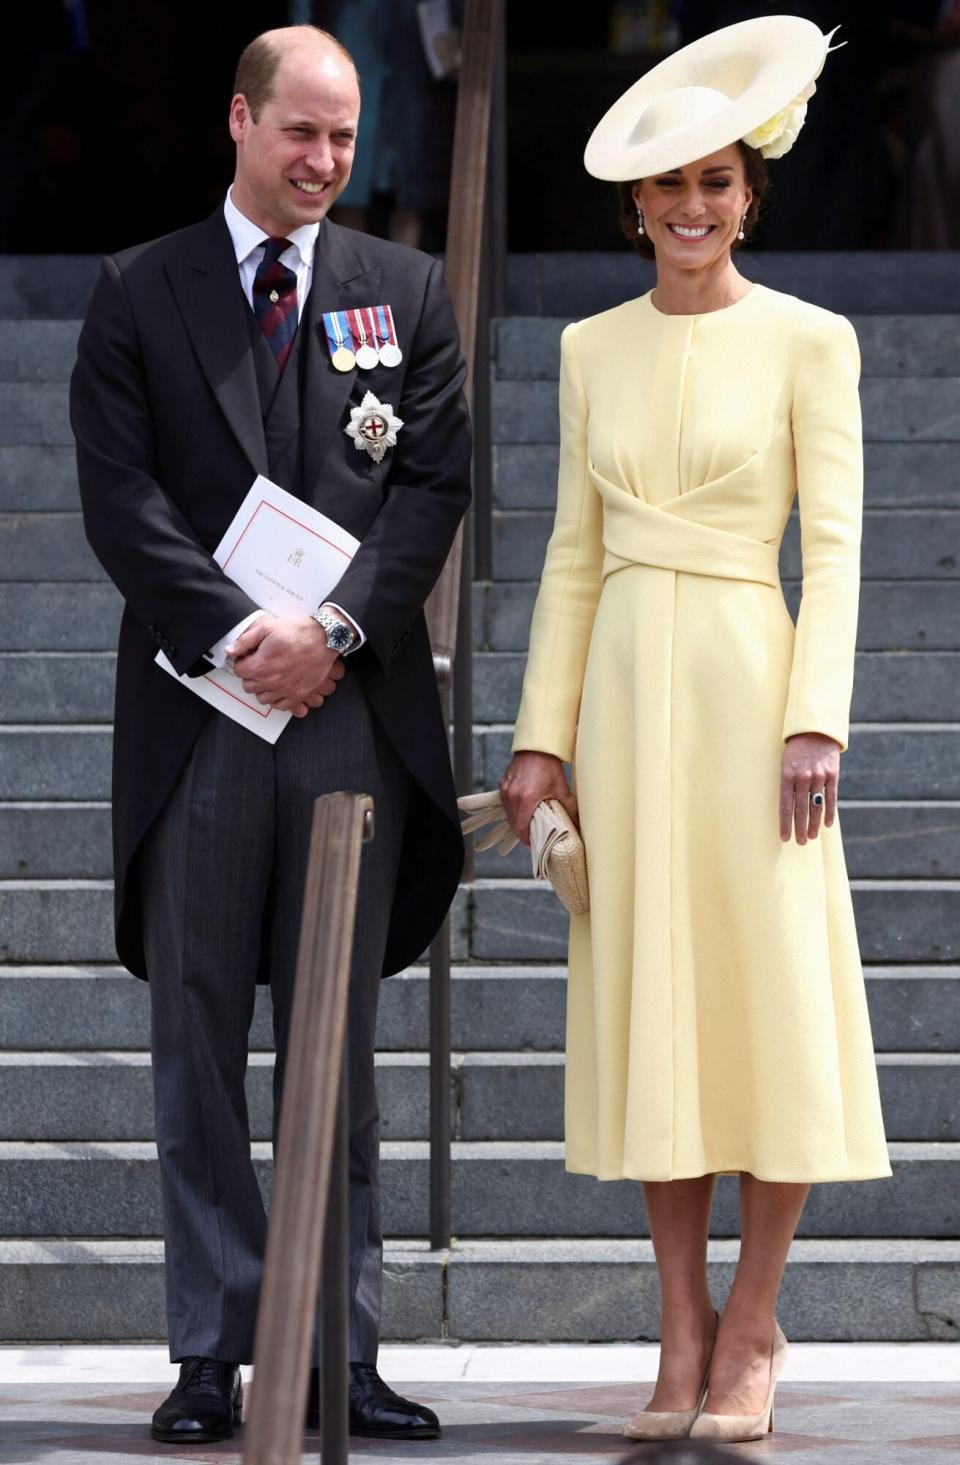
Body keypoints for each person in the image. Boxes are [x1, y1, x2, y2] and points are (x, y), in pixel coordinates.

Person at [70, 24, 471, 1445]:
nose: (325, 163)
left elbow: (430, 486)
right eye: (301, 133)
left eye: (346, 139)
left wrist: (338, 631)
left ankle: (339, 1345)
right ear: (237, 123)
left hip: (345, 713)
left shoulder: (403, 290)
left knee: (337, 1038)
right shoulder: (137, 291)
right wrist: (245, 632)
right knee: (196, 1032)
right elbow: (121, 498)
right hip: (200, 712)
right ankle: (212, 1344)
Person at [498, 14, 890, 1446]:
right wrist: (542, 734)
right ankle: (677, 1322)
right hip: (620, 697)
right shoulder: (588, 347)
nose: (692, 209)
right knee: (656, 1007)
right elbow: (569, 549)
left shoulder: (812, 339)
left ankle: (756, 1316)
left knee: (764, 998)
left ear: (750, 191)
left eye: (717, 183)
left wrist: (819, 719)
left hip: (751, 687)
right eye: (671, 188)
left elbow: (837, 549)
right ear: (636, 204)